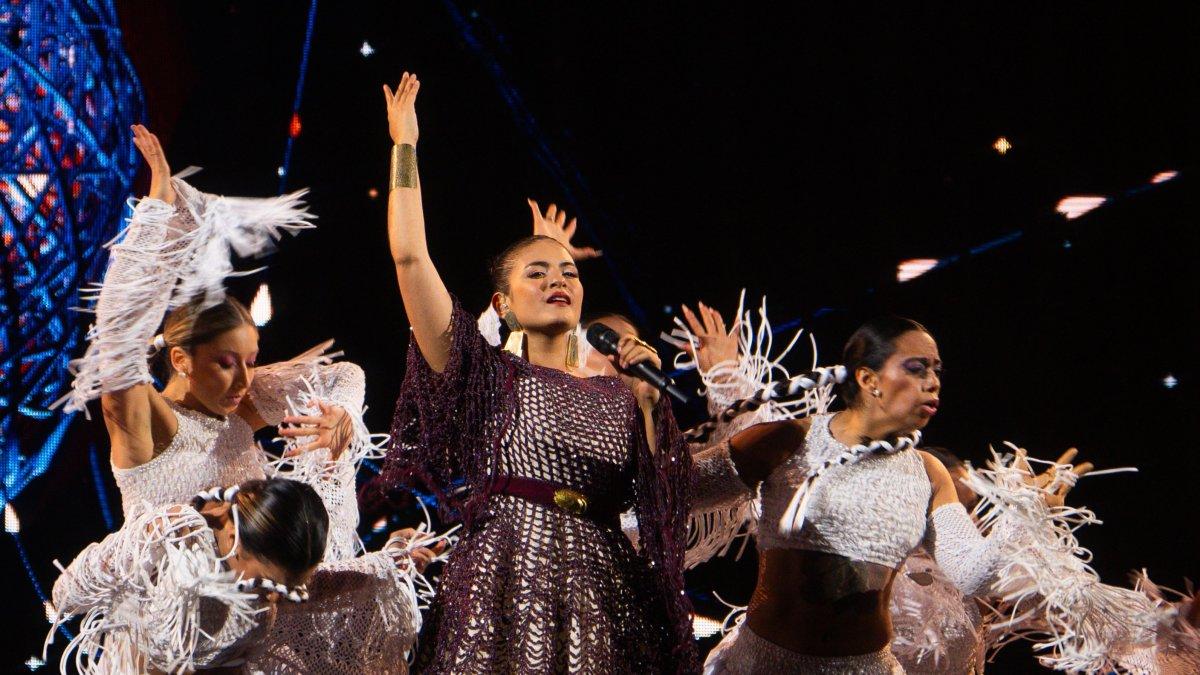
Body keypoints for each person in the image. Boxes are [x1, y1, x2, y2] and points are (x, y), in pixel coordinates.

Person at [53, 125, 443, 672]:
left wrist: (341, 418)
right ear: (181, 359)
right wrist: (156, 216)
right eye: (225, 362)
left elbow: (342, 376)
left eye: (251, 360)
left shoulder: (238, 407)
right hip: (168, 644)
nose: (244, 380)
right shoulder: (150, 422)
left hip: (253, 638)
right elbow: (117, 338)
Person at [371, 72, 697, 673]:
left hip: (601, 593)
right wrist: (405, 145)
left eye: (569, 273)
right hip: (504, 576)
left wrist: (651, 404)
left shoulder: (621, 394)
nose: (558, 281)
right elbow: (410, 257)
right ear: (502, 303)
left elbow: (664, 500)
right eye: (537, 273)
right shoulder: (482, 374)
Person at [49, 477, 446, 674]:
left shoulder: (269, 584)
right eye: (268, 585)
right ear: (236, 543)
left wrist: (393, 560)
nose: (275, 600)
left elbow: (324, 584)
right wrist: (134, 554)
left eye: (287, 591)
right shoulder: (171, 538)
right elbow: (67, 592)